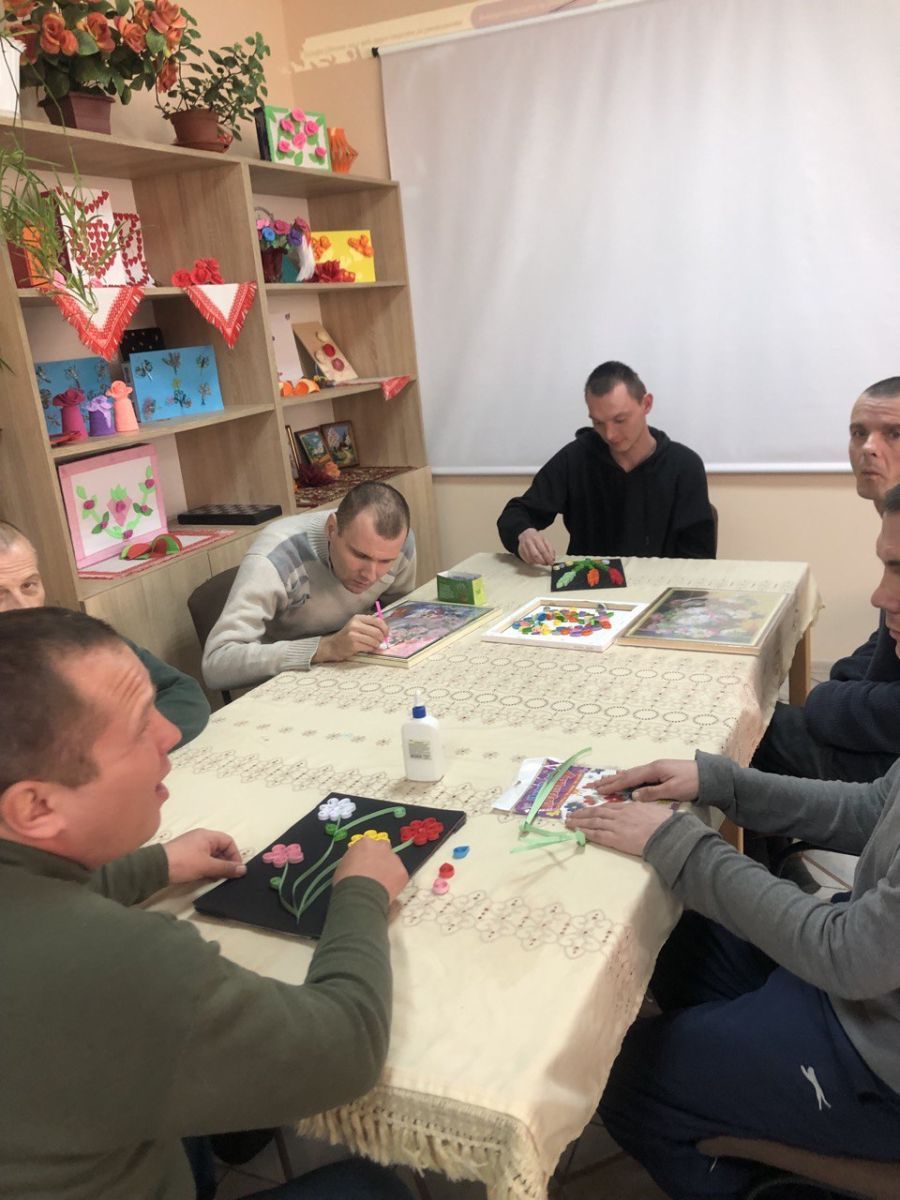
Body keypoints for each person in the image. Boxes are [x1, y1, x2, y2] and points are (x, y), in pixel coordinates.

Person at [0, 607, 414, 1200]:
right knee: (371, 1189)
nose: (170, 733)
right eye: (138, 728)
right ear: (35, 807)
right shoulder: (123, 960)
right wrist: (361, 894)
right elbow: (348, 1049)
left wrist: (156, 864)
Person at [563, 487, 900, 1196]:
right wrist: (720, 782)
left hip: (877, 1052)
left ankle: (769, 1166)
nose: (879, 594)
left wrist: (682, 846)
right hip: (862, 989)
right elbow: (874, 806)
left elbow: (849, 955)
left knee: (624, 1082)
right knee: (671, 934)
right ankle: (744, 1093)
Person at [751, 376, 900, 783]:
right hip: (877, 721)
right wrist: (845, 683)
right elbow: (884, 636)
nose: (868, 447)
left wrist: (829, 700)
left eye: (894, 433)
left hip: (887, 769)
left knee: (745, 732)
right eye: (859, 433)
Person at [0, 520, 209, 747]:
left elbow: (184, 694)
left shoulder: (76, 636)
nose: (23, 606)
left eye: (28, 586)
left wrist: (116, 747)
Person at [202, 482, 416, 692]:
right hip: (284, 684)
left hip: (354, 671)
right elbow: (216, 664)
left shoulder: (398, 545)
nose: (370, 574)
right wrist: (325, 648)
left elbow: (401, 613)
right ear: (331, 529)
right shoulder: (276, 557)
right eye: (360, 555)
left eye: (385, 561)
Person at [496, 361, 715, 564]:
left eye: (620, 420)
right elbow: (516, 513)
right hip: (590, 585)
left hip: (659, 586)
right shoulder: (576, 458)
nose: (610, 434)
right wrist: (524, 534)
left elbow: (698, 559)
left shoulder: (684, 466)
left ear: (646, 404)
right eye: (598, 423)